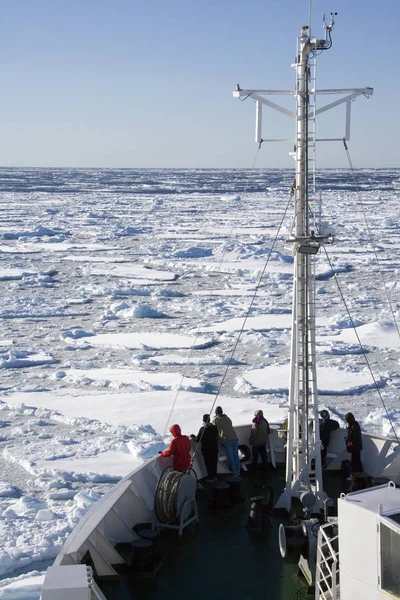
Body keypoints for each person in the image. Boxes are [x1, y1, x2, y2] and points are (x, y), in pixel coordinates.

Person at [212, 406, 241, 476]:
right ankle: (238, 470)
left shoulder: (216, 420)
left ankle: (234, 472)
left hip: (227, 440)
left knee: (231, 456)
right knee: (236, 456)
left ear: (216, 413)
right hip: (234, 438)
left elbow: (213, 426)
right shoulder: (227, 418)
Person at [194, 414, 219, 482]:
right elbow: (217, 434)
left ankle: (211, 478)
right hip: (214, 448)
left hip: (207, 450)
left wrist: (193, 437)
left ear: (203, 420)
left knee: (209, 464)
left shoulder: (203, 429)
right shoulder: (214, 427)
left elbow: (198, 439)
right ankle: (215, 477)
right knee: (214, 463)